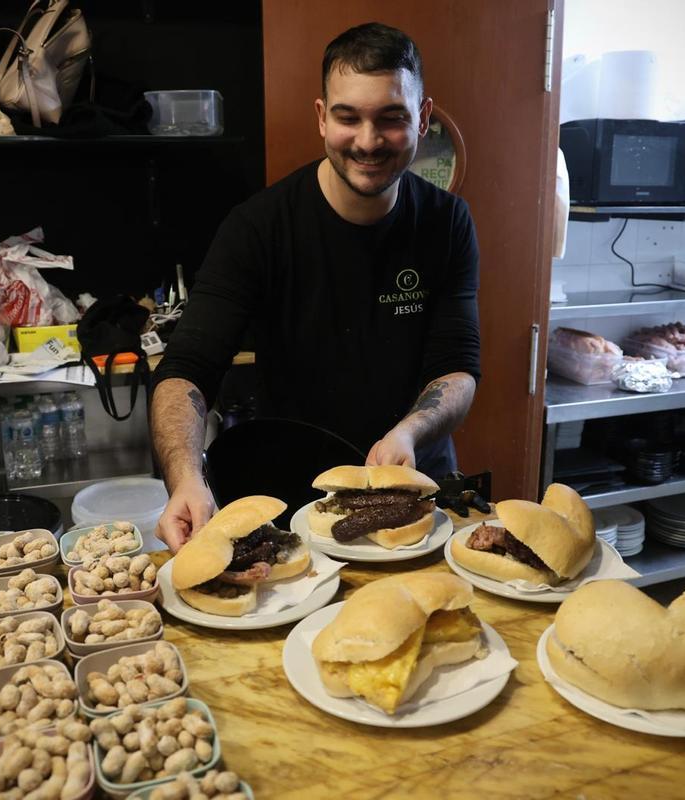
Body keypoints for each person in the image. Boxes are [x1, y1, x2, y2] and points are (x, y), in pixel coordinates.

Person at [150, 22, 481, 552]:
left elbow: (457, 366)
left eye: (391, 118)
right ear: (322, 117)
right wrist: (186, 477)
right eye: (348, 117)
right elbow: (186, 369)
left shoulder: (447, 222)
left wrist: (410, 431)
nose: (368, 141)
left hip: (414, 486)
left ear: (421, 118)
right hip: (293, 493)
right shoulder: (257, 228)